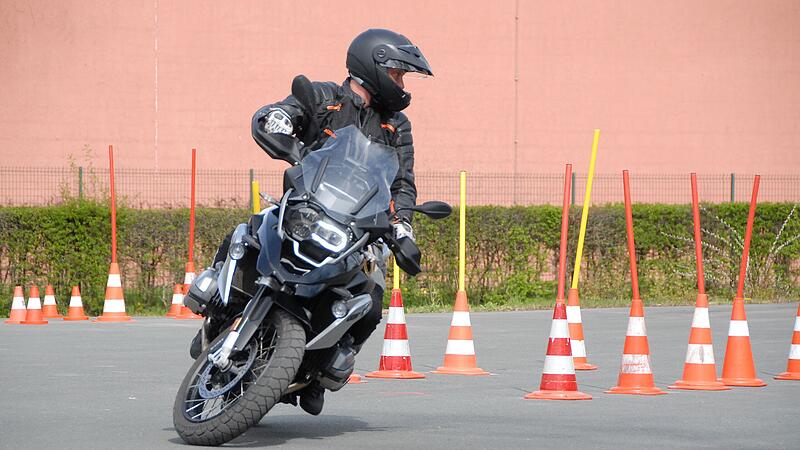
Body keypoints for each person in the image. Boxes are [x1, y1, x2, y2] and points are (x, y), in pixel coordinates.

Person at [208, 28, 433, 415]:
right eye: (397, 74)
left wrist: (402, 226)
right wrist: (279, 122)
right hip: (305, 207)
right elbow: (284, 112)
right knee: (248, 231)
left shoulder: (397, 126)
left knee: (371, 295)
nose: (400, 84)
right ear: (374, 65)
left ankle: (318, 371)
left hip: (356, 228)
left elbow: (402, 183)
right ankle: (216, 299)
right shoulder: (323, 97)